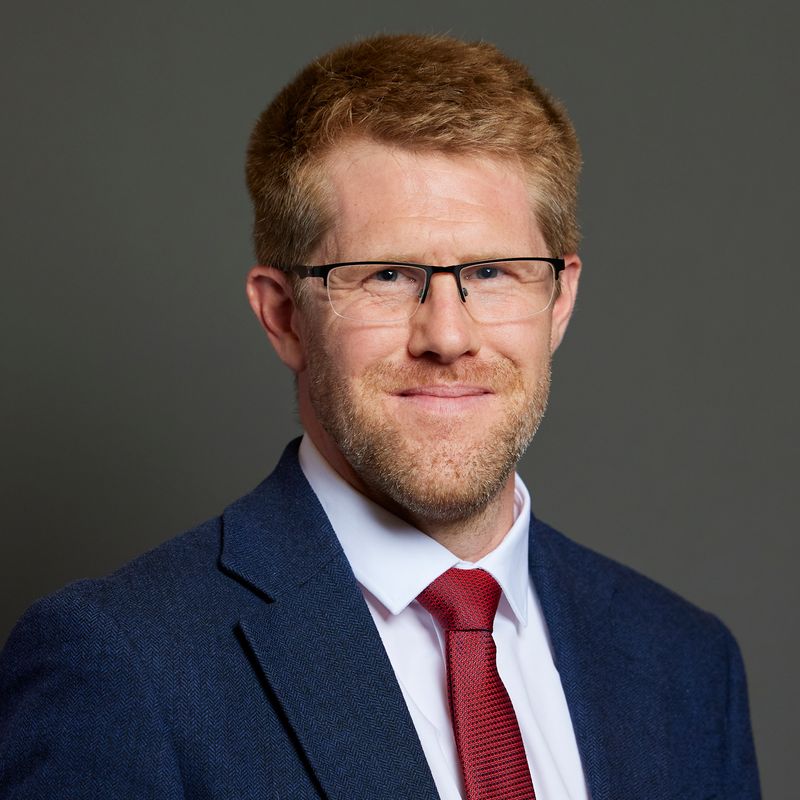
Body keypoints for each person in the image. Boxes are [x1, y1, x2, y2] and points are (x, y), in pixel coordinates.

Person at [0, 33, 760, 799]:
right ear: (284, 316)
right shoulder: (123, 667)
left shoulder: (685, 665)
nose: (448, 336)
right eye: (387, 275)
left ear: (558, 301)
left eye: (491, 272)